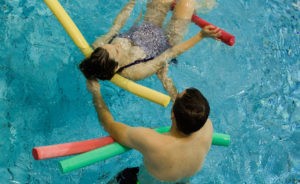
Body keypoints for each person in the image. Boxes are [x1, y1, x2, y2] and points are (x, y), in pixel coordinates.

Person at [80, 0, 220, 101]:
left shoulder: (102, 47)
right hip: (167, 42)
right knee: (186, 4)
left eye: (110, 44)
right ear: (116, 66)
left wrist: (131, 2)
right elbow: (170, 53)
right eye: (116, 50)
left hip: (148, 26)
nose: (117, 45)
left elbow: (117, 26)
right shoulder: (135, 71)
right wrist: (201, 36)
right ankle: (205, 5)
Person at [86, 79, 213, 184]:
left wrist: (95, 92)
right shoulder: (207, 128)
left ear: (172, 115)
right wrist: (165, 79)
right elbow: (187, 111)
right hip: (182, 181)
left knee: (121, 176)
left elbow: (110, 125)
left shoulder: (153, 142)